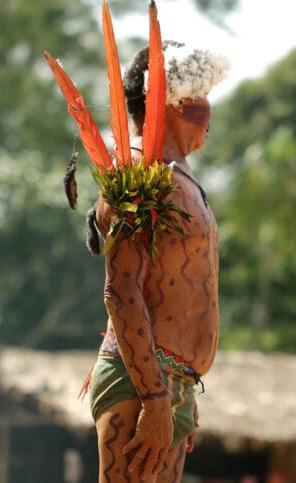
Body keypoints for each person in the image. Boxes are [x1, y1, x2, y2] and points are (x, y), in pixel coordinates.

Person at [86, 43, 229, 483]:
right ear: (175, 103)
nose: (208, 111)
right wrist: (153, 395)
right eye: (201, 98)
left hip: (171, 384)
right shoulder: (138, 173)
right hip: (142, 384)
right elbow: (121, 291)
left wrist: (180, 389)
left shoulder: (178, 176)